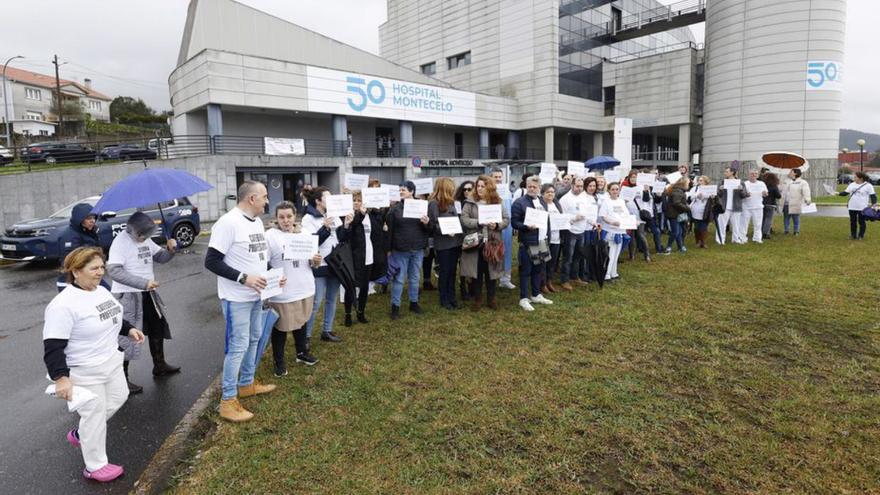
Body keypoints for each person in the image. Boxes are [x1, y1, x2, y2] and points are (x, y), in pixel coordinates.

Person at [43, 247, 145, 482]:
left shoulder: (100, 291)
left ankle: (83, 432)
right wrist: (61, 378)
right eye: (94, 268)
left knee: (119, 398)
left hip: (111, 362)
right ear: (76, 271)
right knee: (95, 412)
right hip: (84, 370)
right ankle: (95, 466)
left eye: (102, 267)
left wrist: (129, 329)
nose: (100, 272)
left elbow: (112, 315)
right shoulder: (63, 305)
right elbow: (53, 347)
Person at [204, 180, 280, 423]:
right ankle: (227, 400)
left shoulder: (257, 222)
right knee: (238, 346)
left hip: (257, 295)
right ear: (251, 199)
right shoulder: (228, 223)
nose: (268, 201)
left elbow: (258, 258)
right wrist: (242, 278)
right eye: (265, 196)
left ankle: (246, 383)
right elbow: (211, 261)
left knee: (255, 338)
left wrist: (273, 275)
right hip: (236, 297)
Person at [106, 212, 179, 397]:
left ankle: (159, 365)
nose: (144, 238)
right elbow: (114, 271)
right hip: (128, 295)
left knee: (157, 327)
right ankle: (121, 380)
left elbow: (160, 257)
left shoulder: (146, 240)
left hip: (148, 293)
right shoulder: (121, 242)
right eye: (142, 234)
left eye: (147, 235)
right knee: (125, 336)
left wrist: (170, 250)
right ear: (133, 230)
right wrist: (142, 283)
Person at [265, 201, 321, 376]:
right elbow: (262, 263)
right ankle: (279, 362)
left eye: (289, 216)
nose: (286, 220)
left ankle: (301, 353)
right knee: (280, 328)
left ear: (294, 216)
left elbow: (311, 261)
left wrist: (316, 261)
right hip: (283, 292)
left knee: (301, 322)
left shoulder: (304, 233)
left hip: (304, 287)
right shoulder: (270, 236)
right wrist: (272, 276)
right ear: (276, 218)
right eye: (281, 217)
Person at [301, 186, 350, 342]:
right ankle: (306, 336)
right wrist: (325, 227)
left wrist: (347, 225)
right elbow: (311, 243)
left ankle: (327, 330)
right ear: (318, 201)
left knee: (331, 299)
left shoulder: (334, 215)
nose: (332, 200)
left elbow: (341, 238)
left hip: (335, 263)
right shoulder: (308, 219)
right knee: (316, 302)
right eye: (328, 197)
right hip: (319, 264)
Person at [386, 180, 434, 319]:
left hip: (418, 248)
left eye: (404, 190)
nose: (401, 192)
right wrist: (388, 250)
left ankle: (414, 303)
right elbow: (390, 231)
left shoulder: (422, 206)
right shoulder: (395, 210)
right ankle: (395, 307)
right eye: (400, 190)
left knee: (414, 278)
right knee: (399, 279)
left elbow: (429, 229)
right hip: (400, 249)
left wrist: (427, 223)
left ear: (412, 192)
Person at [460, 176, 510, 310]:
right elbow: (463, 219)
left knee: (491, 271)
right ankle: (477, 299)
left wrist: (497, 225)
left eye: (483, 186)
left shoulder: (497, 202)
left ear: (490, 188)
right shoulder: (469, 202)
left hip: (493, 242)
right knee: (477, 271)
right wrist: (477, 222)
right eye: (478, 186)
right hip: (476, 241)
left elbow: (506, 219)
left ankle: (491, 298)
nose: (480, 188)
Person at [511, 176, 553, 311]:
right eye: (529, 186)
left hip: (542, 241)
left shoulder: (542, 201)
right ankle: (523, 298)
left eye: (535, 187)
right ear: (526, 186)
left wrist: (548, 237)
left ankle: (536, 294)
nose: (532, 189)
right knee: (526, 271)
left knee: (538, 269)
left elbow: (546, 221)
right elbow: (514, 222)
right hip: (528, 242)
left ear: (539, 188)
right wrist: (526, 226)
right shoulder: (519, 203)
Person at [344, 189, 385, 325]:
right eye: (354, 200)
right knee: (351, 286)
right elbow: (349, 232)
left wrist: (378, 211)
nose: (356, 203)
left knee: (364, 286)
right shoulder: (349, 215)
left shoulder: (370, 216)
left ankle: (361, 312)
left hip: (369, 255)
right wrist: (359, 215)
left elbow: (378, 231)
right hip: (353, 257)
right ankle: (348, 314)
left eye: (359, 200)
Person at [429, 178, 463, 310]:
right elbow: (433, 224)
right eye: (451, 187)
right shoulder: (433, 203)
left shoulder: (451, 203)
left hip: (455, 242)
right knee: (444, 272)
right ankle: (444, 299)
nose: (453, 189)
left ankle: (452, 298)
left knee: (453, 271)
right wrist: (445, 230)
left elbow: (456, 219)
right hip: (443, 243)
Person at [56, 204, 102, 291]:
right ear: (79, 220)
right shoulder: (69, 236)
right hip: (71, 282)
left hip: (89, 275)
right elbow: (71, 262)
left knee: (107, 296)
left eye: (94, 218)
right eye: (88, 218)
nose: (92, 221)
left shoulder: (89, 232)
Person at [558, 177, 591, 290]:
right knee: (568, 257)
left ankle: (574, 276)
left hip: (581, 231)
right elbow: (562, 217)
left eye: (581, 186)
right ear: (572, 185)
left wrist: (591, 222)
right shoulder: (565, 199)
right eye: (577, 186)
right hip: (570, 231)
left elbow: (587, 213)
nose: (579, 188)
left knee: (578, 256)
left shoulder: (584, 198)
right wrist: (574, 218)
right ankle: (564, 280)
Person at [491, 168, 516, 290]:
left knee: (506, 251)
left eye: (500, 177)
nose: (498, 179)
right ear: (491, 178)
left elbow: (510, 208)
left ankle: (506, 278)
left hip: (507, 227)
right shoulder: (487, 192)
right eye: (495, 177)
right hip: (493, 227)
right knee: (493, 252)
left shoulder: (507, 192)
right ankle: (493, 277)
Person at [598, 183, 628, 281]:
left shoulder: (621, 201)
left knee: (616, 253)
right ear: (609, 191)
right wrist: (612, 222)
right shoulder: (606, 202)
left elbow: (626, 215)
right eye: (613, 189)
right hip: (610, 231)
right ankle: (606, 274)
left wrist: (633, 221)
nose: (615, 191)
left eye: (617, 189)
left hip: (620, 231)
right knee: (610, 254)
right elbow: (603, 216)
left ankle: (614, 273)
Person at [839, 171, 878, 239]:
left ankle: (861, 236)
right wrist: (836, 193)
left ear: (861, 178)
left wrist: (874, 205)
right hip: (852, 206)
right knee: (853, 222)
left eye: (855, 177)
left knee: (861, 222)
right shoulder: (852, 184)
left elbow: (873, 196)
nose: (854, 178)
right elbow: (845, 193)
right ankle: (853, 235)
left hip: (862, 208)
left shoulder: (868, 186)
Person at [454, 181, 475, 302]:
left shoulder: (475, 203)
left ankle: (472, 288)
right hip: (460, 236)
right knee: (462, 264)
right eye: (464, 189)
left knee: (472, 264)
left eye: (469, 189)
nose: (467, 191)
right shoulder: (457, 204)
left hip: (473, 236)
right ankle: (463, 289)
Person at [715, 167, 747, 245]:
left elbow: (744, 195)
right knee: (721, 224)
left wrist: (741, 189)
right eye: (725, 171)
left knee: (736, 224)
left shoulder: (740, 182)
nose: (725, 173)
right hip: (724, 206)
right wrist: (720, 189)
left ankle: (735, 239)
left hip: (736, 206)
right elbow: (718, 194)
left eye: (727, 171)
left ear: (732, 172)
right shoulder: (722, 182)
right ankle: (720, 240)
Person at [541, 183, 562, 293]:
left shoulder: (556, 204)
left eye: (552, 192)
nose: (550, 194)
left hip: (556, 237)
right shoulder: (541, 204)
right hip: (545, 238)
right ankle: (543, 283)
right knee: (544, 261)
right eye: (548, 192)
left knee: (553, 261)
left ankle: (549, 281)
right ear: (543, 194)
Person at [663, 177, 691, 253]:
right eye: (688, 183)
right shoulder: (678, 191)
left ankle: (680, 247)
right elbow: (676, 203)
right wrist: (687, 208)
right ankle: (668, 247)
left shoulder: (678, 189)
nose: (689, 184)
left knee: (679, 232)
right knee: (675, 232)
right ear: (684, 183)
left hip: (676, 214)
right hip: (673, 214)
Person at [741, 169, 769, 243]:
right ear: (748, 175)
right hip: (746, 206)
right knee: (744, 223)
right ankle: (742, 238)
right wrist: (746, 195)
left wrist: (764, 193)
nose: (754, 175)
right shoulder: (745, 183)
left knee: (758, 224)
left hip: (758, 206)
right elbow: (741, 194)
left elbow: (766, 194)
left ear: (758, 175)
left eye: (755, 174)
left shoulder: (762, 183)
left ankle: (757, 238)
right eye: (752, 174)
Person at [781, 168, 811, 236]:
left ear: (795, 173)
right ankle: (786, 230)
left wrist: (807, 199)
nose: (789, 173)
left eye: (791, 172)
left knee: (796, 218)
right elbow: (781, 189)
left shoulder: (802, 182)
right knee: (786, 218)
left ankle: (796, 231)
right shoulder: (786, 181)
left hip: (796, 203)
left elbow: (806, 191)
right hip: (786, 203)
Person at [689, 176, 714, 248]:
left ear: (705, 182)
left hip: (706, 210)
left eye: (701, 181)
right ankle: (697, 241)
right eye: (699, 180)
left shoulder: (710, 188)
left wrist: (712, 197)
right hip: (696, 210)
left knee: (704, 226)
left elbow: (714, 197)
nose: (700, 182)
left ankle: (703, 242)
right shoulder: (695, 188)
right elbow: (690, 197)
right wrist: (697, 195)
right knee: (697, 227)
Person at [761, 172, 782, 240]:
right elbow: (778, 196)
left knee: (763, 219)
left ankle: (760, 232)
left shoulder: (762, 185)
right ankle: (766, 233)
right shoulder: (774, 186)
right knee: (769, 219)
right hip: (771, 204)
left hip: (762, 204)